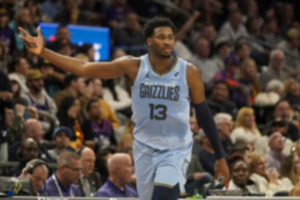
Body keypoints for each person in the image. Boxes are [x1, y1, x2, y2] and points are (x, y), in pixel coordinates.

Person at [18, 16, 229, 200]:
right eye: (161, 37)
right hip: (145, 147)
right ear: (149, 40)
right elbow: (84, 68)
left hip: (175, 148)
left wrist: (220, 156)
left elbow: (203, 113)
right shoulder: (134, 66)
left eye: (170, 37)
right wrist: (43, 51)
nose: (167, 41)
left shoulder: (188, 72)